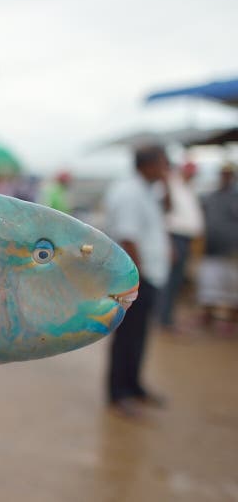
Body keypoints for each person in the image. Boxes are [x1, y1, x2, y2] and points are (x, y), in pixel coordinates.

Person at [102, 145, 170, 418]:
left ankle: (134, 385)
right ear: (149, 164)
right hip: (136, 278)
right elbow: (128, 237)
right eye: (164, 163)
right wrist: (136, 280)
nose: (167, 169)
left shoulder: (146, 190)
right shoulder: (130, 192)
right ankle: (119, 393)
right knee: (127, 337)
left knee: (139, 335)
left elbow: (164, 214)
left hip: (150, 274)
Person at [157, 161, 204, 331]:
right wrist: (169, 245)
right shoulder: (171, 185)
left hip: (185, 238)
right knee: (170, 280)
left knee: (176, 280)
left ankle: (166, 316)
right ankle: (164, 319)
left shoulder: (188, 188)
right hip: (174, 238)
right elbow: (164, 217)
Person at [194, 163, 238, 335]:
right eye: (223, 174)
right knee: (209, 287)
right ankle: (208, 318)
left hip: (233, 252)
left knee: (233, 289)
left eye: (228, 174)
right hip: (211, 250)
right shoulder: (210, 197)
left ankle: (232, 322)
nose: (225, 177)